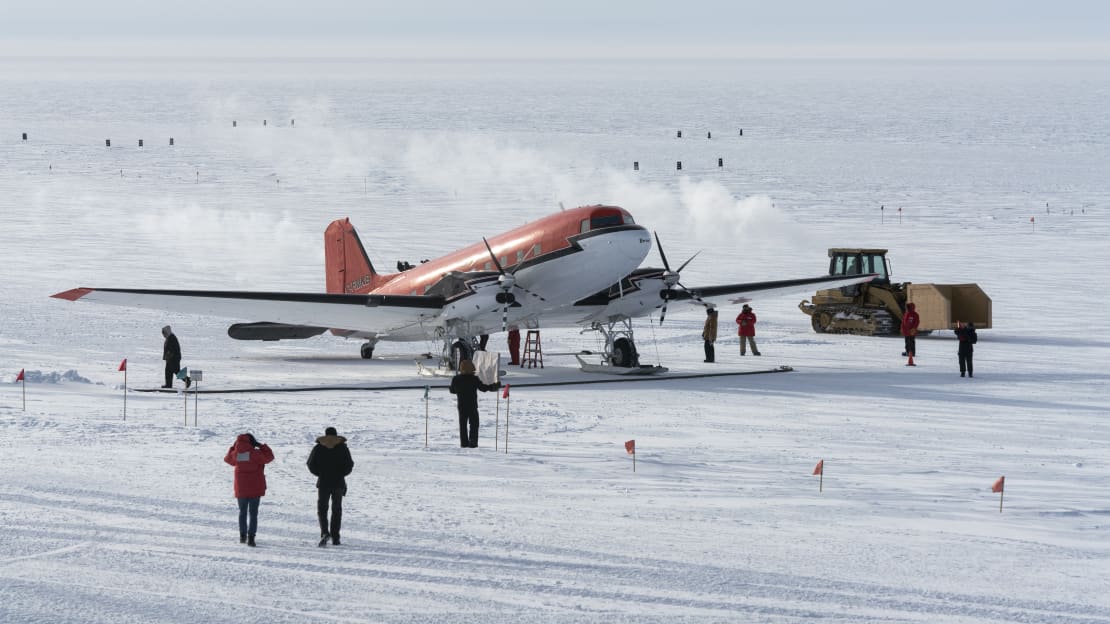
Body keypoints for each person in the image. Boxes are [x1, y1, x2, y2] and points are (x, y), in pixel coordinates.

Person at [223, 433, 274, 547]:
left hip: (241, 488)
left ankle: (242, 536)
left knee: (242, 512)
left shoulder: (236, 455)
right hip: (255, 487)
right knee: (253, 513)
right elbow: (270, 456)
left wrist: (233, 447)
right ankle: (251, 538)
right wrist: (261, 446)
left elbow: (227, 459)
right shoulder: (256, 454)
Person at [307, 426, 354, 546]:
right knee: (336, 510)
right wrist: (342, 474)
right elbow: (349, 465)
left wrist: (320, 474)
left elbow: (310, 464)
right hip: (338, 483)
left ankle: (324, 533)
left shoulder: (318, 448)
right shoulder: (343, 448)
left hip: (323, 483)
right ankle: (336, 537)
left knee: (322, 509)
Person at [449, 359, 498, 448]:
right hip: (472, 405)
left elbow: (452, 391)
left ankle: (464, 443)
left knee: (463, 425)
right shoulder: (474, 379)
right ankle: (473, 442)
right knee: (474, 424)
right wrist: (493, 386)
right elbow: (483, 388)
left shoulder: (456, 379)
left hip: (461, 405)